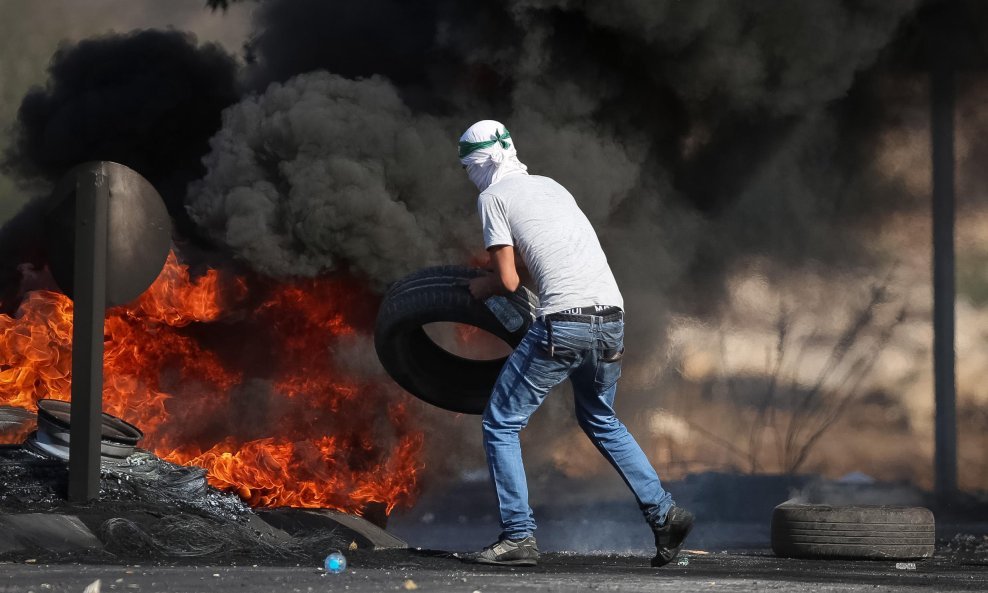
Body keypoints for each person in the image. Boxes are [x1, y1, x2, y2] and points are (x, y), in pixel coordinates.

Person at [459, 120, 694, 567]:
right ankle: (665, 514)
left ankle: (518, 537)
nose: (470, 175)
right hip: (611, 319)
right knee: (600, 417)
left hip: (564, 323)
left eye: (469, 166)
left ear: (482, 162)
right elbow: (548, 254)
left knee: (501, 423)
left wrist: (485, 286)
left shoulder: (492, 197)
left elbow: (509, 280)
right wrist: (501, 280)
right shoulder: (551, 186)